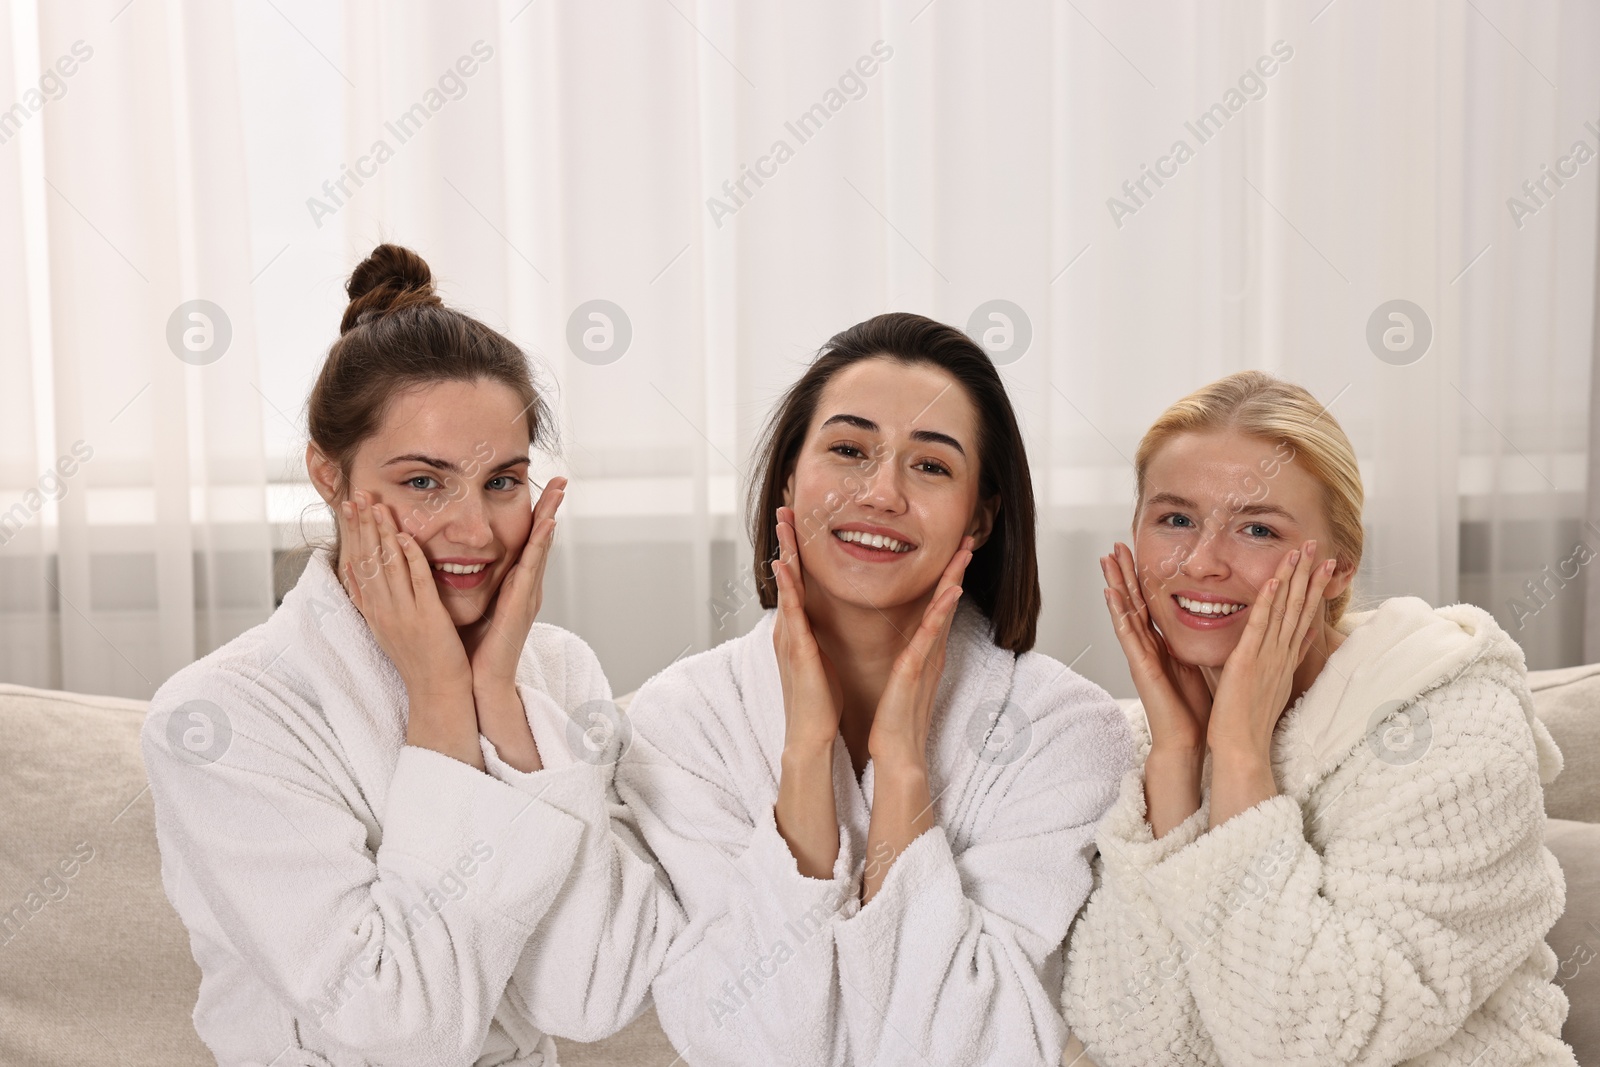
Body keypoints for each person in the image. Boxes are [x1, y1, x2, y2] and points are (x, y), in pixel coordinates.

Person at [142, 244, 680, 1066]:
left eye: (502, 480)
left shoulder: (559, 674)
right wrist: (439, 698)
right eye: (424, 482)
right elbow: (402, 1031)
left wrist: (496, 694)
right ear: (331, 475)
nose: (476, 530)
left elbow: (593, 993)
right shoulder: (220, 716)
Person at [614, 311, 1134, 1066]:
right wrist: (805, 758)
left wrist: (901, 769)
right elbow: (751, 1046)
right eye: (849, 449)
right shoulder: (684, 721)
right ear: (791, 475)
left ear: (981, 514)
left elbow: (978, 1050)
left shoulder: (1066, 730)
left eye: (930, 466)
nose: (881, 492)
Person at [1061, 370, 1575, 1065]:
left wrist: (1241, 752)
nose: (1203, 561)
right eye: (1175, 518)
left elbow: (1309, 1042)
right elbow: (1137, 1038)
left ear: (1337, 568)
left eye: (1257, 528)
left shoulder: (1457, 730)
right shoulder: (1149, 738)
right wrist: (1180, 761)